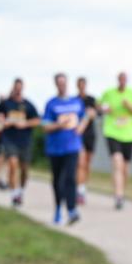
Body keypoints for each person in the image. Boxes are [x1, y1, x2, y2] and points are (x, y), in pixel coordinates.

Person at [42, 73, 90, 225]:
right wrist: (59, 125)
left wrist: (82, 126)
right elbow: (45, 126)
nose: (62, 85)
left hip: (72, 146)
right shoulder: (51, 104)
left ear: (67, 84)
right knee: (57, 180)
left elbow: (85, 116)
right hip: (55, 148)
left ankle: (71, 210)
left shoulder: (76, 102)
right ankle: (57, 208)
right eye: (59, 83)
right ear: (56, 84)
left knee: (70, 177)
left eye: (64, 82)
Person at [99, 72, 132, 210]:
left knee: (125, 168)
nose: (123, 81)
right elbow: (99, 106)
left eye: (125, 79)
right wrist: (105, 109)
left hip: (130, 134)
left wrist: (129, 106)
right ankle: (118, 196)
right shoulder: (109, 93)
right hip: (112, 131)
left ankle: (122, 191)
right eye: (121, 79)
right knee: (117, 162)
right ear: (118, 80)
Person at [0, 79, 41, 208]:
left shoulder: (28, 105)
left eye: (20, 88)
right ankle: (14, 194)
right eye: (16, 88)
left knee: (24, 169)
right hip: (10, 139)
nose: (18, 91)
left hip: (25, 140)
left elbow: (37, 120)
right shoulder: (6, 104)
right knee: (12, 164)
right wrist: (4, 121)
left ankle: (21, 190)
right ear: (13, 88)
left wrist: (25, 124)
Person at [75, 77, 99, 205]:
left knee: (87, 164)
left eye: (83, 85)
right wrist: (86, 115)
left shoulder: (91, 100)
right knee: (81, 162)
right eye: (80, 85)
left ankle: (83, 187)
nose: (82, 87)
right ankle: (79, 190)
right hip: (78, 135)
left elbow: (95, 113)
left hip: (90, 134)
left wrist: (91, 114)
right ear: (77, 86)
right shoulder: (74, 100)